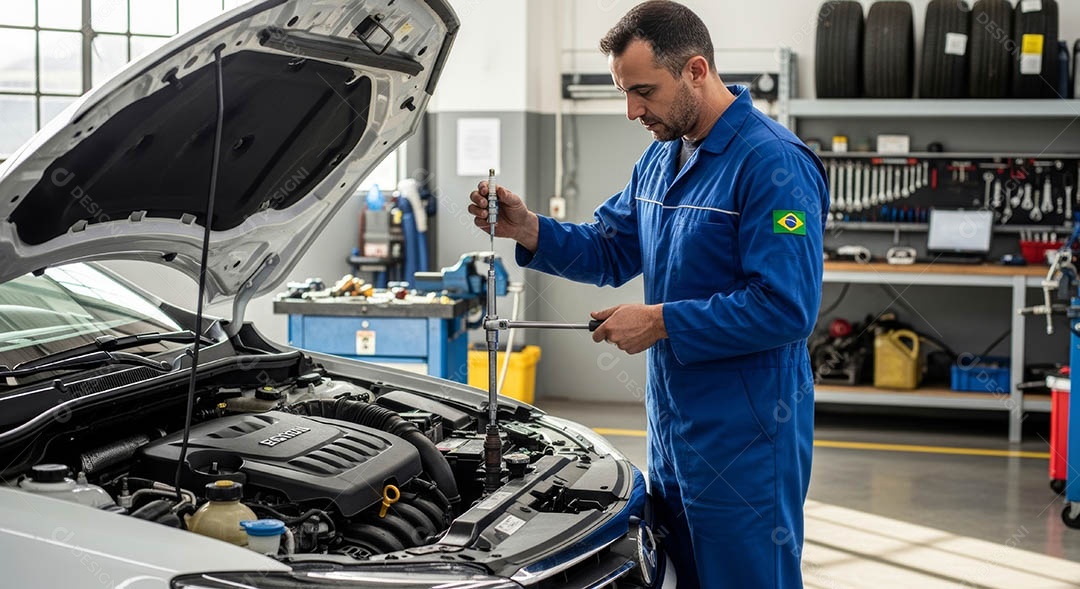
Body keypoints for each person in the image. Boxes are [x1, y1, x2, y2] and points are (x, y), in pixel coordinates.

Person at [467, 2, 827, 586]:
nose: (632, 110)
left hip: (749, 441)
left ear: (695, 71)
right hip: (673, 431)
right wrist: (529, 229)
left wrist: (660, 322)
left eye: (644, 91)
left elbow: (785, 307)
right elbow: (610, 248)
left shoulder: (773, 164)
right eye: (624, 93)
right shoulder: (661, 157)